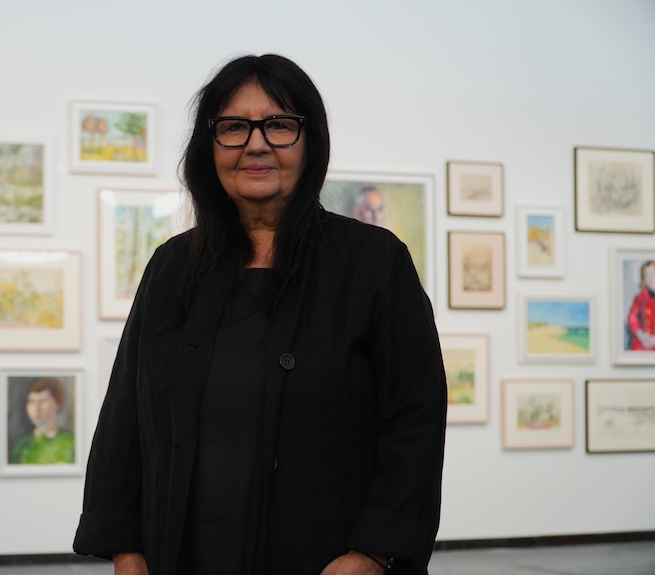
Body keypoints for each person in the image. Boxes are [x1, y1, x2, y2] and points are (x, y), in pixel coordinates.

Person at [73, 54, 447, 575]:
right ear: (211, 147)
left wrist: (373, 553)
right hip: (182, 553)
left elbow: (416, 418)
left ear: (309, 140)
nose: (255, 144)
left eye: (278, 125)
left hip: (325, 557)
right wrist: (126, 547)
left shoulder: (374, 262)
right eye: (233, 127)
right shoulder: (172, 266)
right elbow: (125, 416)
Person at [10, 377, 75, 464]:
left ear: (57, 404)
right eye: (32, 401)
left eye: (43, 401)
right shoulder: (21, 446)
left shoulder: (71, 442)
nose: (36, 408)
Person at [627, 260, 655, 350]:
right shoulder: (639, 298)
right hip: (641, 343)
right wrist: (641, 335)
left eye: (653, 273)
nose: (651, 278)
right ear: (644, 280)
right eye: (647, 275)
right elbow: (632, 318)